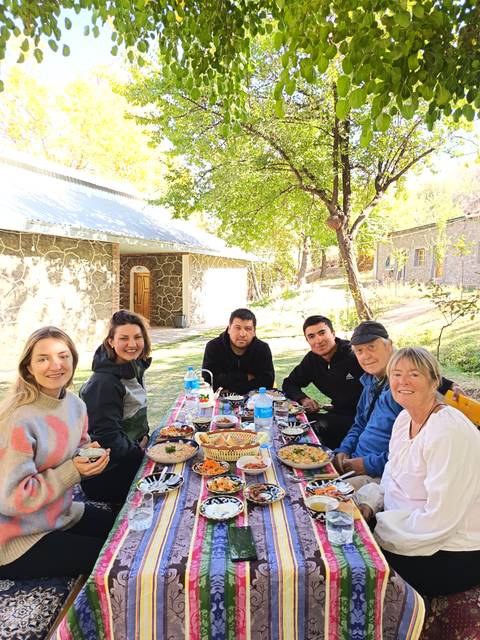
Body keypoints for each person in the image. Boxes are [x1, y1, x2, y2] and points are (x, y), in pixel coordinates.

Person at [356, 347, 480, 597]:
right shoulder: (404, 420)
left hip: (449, 549)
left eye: (414, 374)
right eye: (396, 374)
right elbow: (391, 478)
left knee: (357, 573)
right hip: (405, 528)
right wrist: (369, 505)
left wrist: (378, 530)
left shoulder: (447, 431)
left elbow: (440, 519)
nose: (402, 382)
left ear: (434, 380)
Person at [0, 327, 114, 578]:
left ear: (73, 359)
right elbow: (11, 500)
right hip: (18, 537)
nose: (56, 365)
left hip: (59, 514)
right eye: (43, 358)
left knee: (126, 530)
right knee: (115, 559)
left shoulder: (75, 404)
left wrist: (88, 456)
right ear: (28, 367)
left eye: (63, 356)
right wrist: (73, 470)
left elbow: (77, 450)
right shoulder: (18, 419)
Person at [333, 321, 454, 487]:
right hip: (355, 461)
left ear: (389, 345)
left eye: (371, 347)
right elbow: (360, 423)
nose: (365, 355)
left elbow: (413, 454)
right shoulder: (370, 383)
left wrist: (367, 464)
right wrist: (344, 450)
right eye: (359, 351)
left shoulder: (404, 392)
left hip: (381, 475)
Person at [80, 310, 152, 503]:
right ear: (111, 341)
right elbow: (106, 436)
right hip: (110, 474)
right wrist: (138, 451)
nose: (132, 344)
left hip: (130, 455)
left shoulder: (132, 365)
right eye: (124, 338)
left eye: (137, 337)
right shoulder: (103, 383)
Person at [282, 315, 364, 448]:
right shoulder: (312, 360)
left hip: (359, 418)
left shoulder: (354, 354)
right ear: (307, 340)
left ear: (333, 333)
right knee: (292, 421)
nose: (318, 340)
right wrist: (304, 399)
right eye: (311, 336)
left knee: (308, 427)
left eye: (322, 333)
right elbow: (289, 383)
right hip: (336, 413)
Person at [202, 308, 274, 393]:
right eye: (237, 328)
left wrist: (230, 389)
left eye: (248, 329)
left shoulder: (262, 349)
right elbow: (209, 381)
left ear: (254, 331)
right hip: (219, 401)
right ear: (229, 329)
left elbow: (267, 382)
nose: (242, 334)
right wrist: (245, 377)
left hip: (254, 401)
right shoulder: (214, 347)